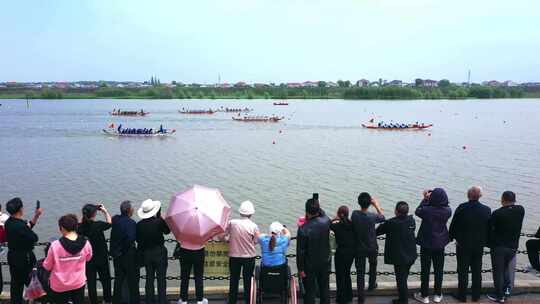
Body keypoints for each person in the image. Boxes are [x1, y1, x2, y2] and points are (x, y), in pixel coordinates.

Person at [449, 186, 491, 302]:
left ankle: (462, 295)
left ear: (468, 195)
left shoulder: (462, 208)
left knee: (463, 271)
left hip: (463, 245)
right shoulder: (486, 209)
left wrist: (451, 237)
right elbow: (489, 228)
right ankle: (476, 295)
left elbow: (454, 225)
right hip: (479, 245)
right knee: (477, 270)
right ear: (480, 196)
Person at [43, 214, 93, 304]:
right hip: (78, 282)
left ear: (61, 228)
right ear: (76, 226)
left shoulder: (55, 246)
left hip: (59, 285)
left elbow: (47, 266)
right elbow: (88, 258)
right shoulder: (86, 243)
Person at [414, 188, 452, 304]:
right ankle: (437, 294)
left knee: (425, 270)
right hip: (440, 243)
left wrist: (425, 199)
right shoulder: (448, 210)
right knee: (439, 270)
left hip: (426, 243)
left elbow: (417, 211)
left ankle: (424, 295)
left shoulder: (427, 210)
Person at [376, 201, 417, 304]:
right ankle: (403, 298)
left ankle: (403, 300)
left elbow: (377, 232)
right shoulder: (411, 220)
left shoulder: (391, 223)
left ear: (396, 211)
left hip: (400, 257)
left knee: (401, 280)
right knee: (404, 277)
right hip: (411, 255)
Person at [487, 191, 525, 303]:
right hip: (513, 246)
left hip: (499, 247)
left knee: (498, 272)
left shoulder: (497, 213)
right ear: (514, 199)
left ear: (503, 199)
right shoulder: (520, 210)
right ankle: (507, 290)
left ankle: (499, 296)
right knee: (505, 269)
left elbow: (490, 228)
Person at [5, 197, 43, 304]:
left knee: (16, 285)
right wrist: (27, 227)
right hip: (25, 259)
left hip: (13, 257)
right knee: (33, 284)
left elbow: (27, 228)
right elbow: (34, 238)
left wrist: (36, 216)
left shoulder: (9, 223)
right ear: (20, 209)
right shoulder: (21, 226)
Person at [351, 192, 385, 303]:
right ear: (369, 203)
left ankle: (361, 298)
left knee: (360, 273)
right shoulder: (372, 216)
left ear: (359, 202)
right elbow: (383, 217)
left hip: (359, 248)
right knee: (373, 265)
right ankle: (371, 284)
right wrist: (376, 205)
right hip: (372, 246)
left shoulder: (354, 214)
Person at [223, 201, 259, 304]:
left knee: (233, 280)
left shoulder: (232, 223)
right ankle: (248, 301)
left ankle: (232, 301)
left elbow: (223, 236)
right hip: (249, 257)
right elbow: (256, 241)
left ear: (240, 213)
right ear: (251, 214)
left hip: (234, 257)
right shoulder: (254, 226)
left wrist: (228, 239)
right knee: (248, 281)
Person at [296, 198, 331, 304]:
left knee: (310, 291)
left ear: (306, 211)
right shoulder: (326, 221)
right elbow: (323, 213)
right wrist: (318, 206)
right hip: (325, 261)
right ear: (318, 209)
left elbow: (300, 251)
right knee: (325, 289)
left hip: (309, 265)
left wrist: (300, 268)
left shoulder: (303, 229)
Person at [136, 199, 171, 304]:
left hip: (146, 254)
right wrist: (162, 218)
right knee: (161, 279)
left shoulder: (139, 225)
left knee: (149, 279)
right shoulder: (159, 221)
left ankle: (149, 300)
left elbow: (138, 240)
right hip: (159, 252)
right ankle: (162, 300)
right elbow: (167, 231)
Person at [77, 203, 113, 304]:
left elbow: (79, 223)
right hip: (102, 258)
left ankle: (94, 302)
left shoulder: (79, 228)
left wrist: (88, 213)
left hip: (88, 260)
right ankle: (108, 301)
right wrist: (105, 211)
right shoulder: (98, 225)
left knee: (91, 283)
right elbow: (110, 223)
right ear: (94, 214)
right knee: (106, 280)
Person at [110, 200, 140, 304]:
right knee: (133, 281)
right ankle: (134, 301)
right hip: (128, 255)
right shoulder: (131, 223)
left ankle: (116, 301)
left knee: (118, 280)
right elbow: (131, 238)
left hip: (116, 255)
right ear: (130, 210)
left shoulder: (115, 219)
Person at [330, 206, 355, 304]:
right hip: (351, 253)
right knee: (347, 273)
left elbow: (328, 224)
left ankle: (341, 298)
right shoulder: (353, 225)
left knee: (340, 276)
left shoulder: (337, 226)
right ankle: (349, 296)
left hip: (341, 253)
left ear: (340, 214)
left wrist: (334, 219)